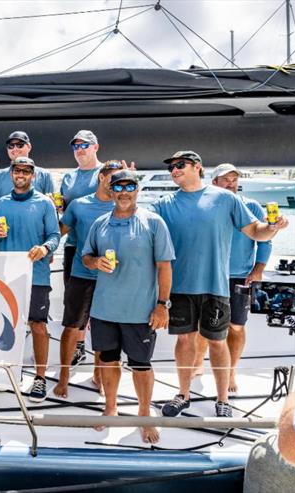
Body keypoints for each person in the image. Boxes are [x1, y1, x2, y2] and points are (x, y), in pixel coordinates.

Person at [152, 151, 289, 418]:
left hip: (217, 286)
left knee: (218, 342)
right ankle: (183, 394)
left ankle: (223, 399)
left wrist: (273, 227)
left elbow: (256, 232)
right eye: (171, 167)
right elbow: (138, 218)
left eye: (180, 165)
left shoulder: (226, 199)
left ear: (197, 167)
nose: (174, 170)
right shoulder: (164, 203)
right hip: (180, 287)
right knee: (184, 340)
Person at [81, 170, 174, 444]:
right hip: (104, 309)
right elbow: (86, 256)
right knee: (108, 361)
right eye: (118, 187)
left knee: (141, 365)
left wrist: (162, 305)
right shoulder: (100, 223)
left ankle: (144, 415)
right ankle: (111, 408)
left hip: (140, 311)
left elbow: (165, 266)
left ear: (137, 190)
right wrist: (95, 262)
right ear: (110, 191)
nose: (123, 192)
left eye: (129, 186)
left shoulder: (153, 222)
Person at [189, 163, 273, 393]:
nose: (231, 183)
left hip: (239, 277)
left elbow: (265, 240)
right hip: (208, 275)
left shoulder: (251, 206)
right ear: (214, 182)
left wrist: (258, 270)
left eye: (234, 179)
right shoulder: (205, 206)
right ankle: (196, 365)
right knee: (202, 325)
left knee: (236, 326)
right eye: (225, 179)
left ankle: (231, 371)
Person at [0, 157, 60, 402]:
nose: (21, 174)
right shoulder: (2, 202)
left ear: (33, 175)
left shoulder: (44, 203)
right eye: (17, 170)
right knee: (9, 324)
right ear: (11, 174)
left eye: (26, 171)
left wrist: (44, 248)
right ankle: (11, 372)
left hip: (37, 274)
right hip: (8, 276)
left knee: (38, 325)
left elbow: (54, 235)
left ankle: (40, 378)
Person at [54, 160, 124, 398]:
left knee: (104, 329)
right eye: (112, 178)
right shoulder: (79, 206)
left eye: (120, 180)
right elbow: (57, 232)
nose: (116, 184)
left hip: (112, 277)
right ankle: (63, 377)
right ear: (101, 178)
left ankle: (99, 375)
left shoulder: (123, 206)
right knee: (72, 326)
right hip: (81, 273)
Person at [60, 131, 105, 369]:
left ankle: (103, 356)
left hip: (103, 248)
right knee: (75, 303)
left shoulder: (105, 172)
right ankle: (79, 347)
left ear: (95, 147)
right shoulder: (68, 177)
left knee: (101, 304)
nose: (80, 149)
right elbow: (65, 212)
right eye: (75, 146)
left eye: (84, 145)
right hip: (75, 247)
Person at [0, 131, 54, 234]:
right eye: (11, 146)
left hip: (36, 243)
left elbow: (51, 215)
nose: (15, 149)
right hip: (6, 241)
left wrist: (47, 246)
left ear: (29, 147)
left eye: (19, 145)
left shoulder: (45, 175)